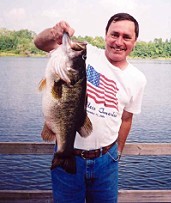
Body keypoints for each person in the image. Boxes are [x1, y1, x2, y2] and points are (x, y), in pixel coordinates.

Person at [34, 13, 147, 203]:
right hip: (71, 154)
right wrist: (55, 33)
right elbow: (40, 43)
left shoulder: (138, 79)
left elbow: (127, 119)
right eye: (114, 34)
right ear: (105, 35)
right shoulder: (83, 53)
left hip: (107, 161)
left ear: (135, 41)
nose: (119, 41)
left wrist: (116, 152)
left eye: (126, 37)